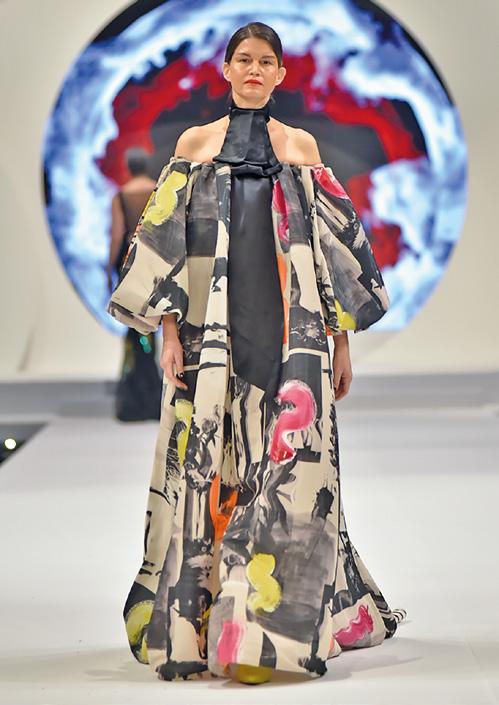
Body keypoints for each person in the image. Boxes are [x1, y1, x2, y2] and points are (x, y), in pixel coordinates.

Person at [107, 21, 407, 685]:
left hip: (291, 338)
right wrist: (167, 335)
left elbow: (333, 252)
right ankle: (205, 624)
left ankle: (263, 632)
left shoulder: (300, 147)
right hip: (210, 335)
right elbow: (165, 247)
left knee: (287, 476)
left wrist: (340, 343)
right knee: (207, 471)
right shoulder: (194, 146)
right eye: (242, 59)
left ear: (279, 74)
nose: (252, 70)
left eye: (265, 61)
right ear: (226, 68)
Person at [107, 148, 162, 422]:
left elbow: (118, 234)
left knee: (134, 329)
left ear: (128, 167)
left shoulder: (121, 195)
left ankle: (137, 397)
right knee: (151, 327)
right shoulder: (157, 190)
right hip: (153, 263)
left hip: (129, 266)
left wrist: (109, 266)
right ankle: (153, 396)